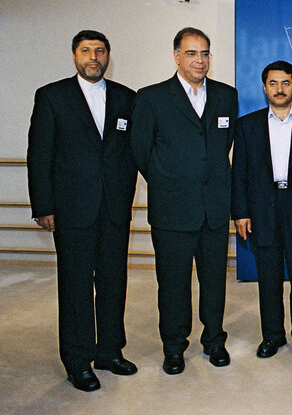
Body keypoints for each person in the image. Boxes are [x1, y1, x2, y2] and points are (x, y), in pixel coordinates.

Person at [27, 30, 138, 391]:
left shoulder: (126, 98)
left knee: (112, 282)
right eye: (86, 51)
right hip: (71, 210)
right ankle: (77, 360)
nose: (94, 57)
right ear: (74, 55)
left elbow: (130, 155)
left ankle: (109, 351)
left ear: (108, 56)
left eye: (100, 51)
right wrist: (43, 206)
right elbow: (39, 155)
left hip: (114, 210)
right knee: (75, 287)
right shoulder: (52, 97)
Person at [130, 27, 238, 374]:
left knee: (214, 282)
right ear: (177, 55)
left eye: (205, 53)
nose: (200, 60)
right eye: (192, 53)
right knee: (174, 284)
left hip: (214, 209)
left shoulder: (226, 96)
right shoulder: (151, 97)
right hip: (172, 210)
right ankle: (174, 346)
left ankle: (214, 340)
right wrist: (170, 182)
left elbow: (224, 146)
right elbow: (141, 152)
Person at [231, 61, 292, 360]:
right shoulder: (247, 125)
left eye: (285, 83)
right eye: (273, 83)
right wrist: (240, 212)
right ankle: (272, 336)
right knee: (269, 279)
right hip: (263, 210)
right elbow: (239, 173)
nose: (279, 89)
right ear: (264, 87)